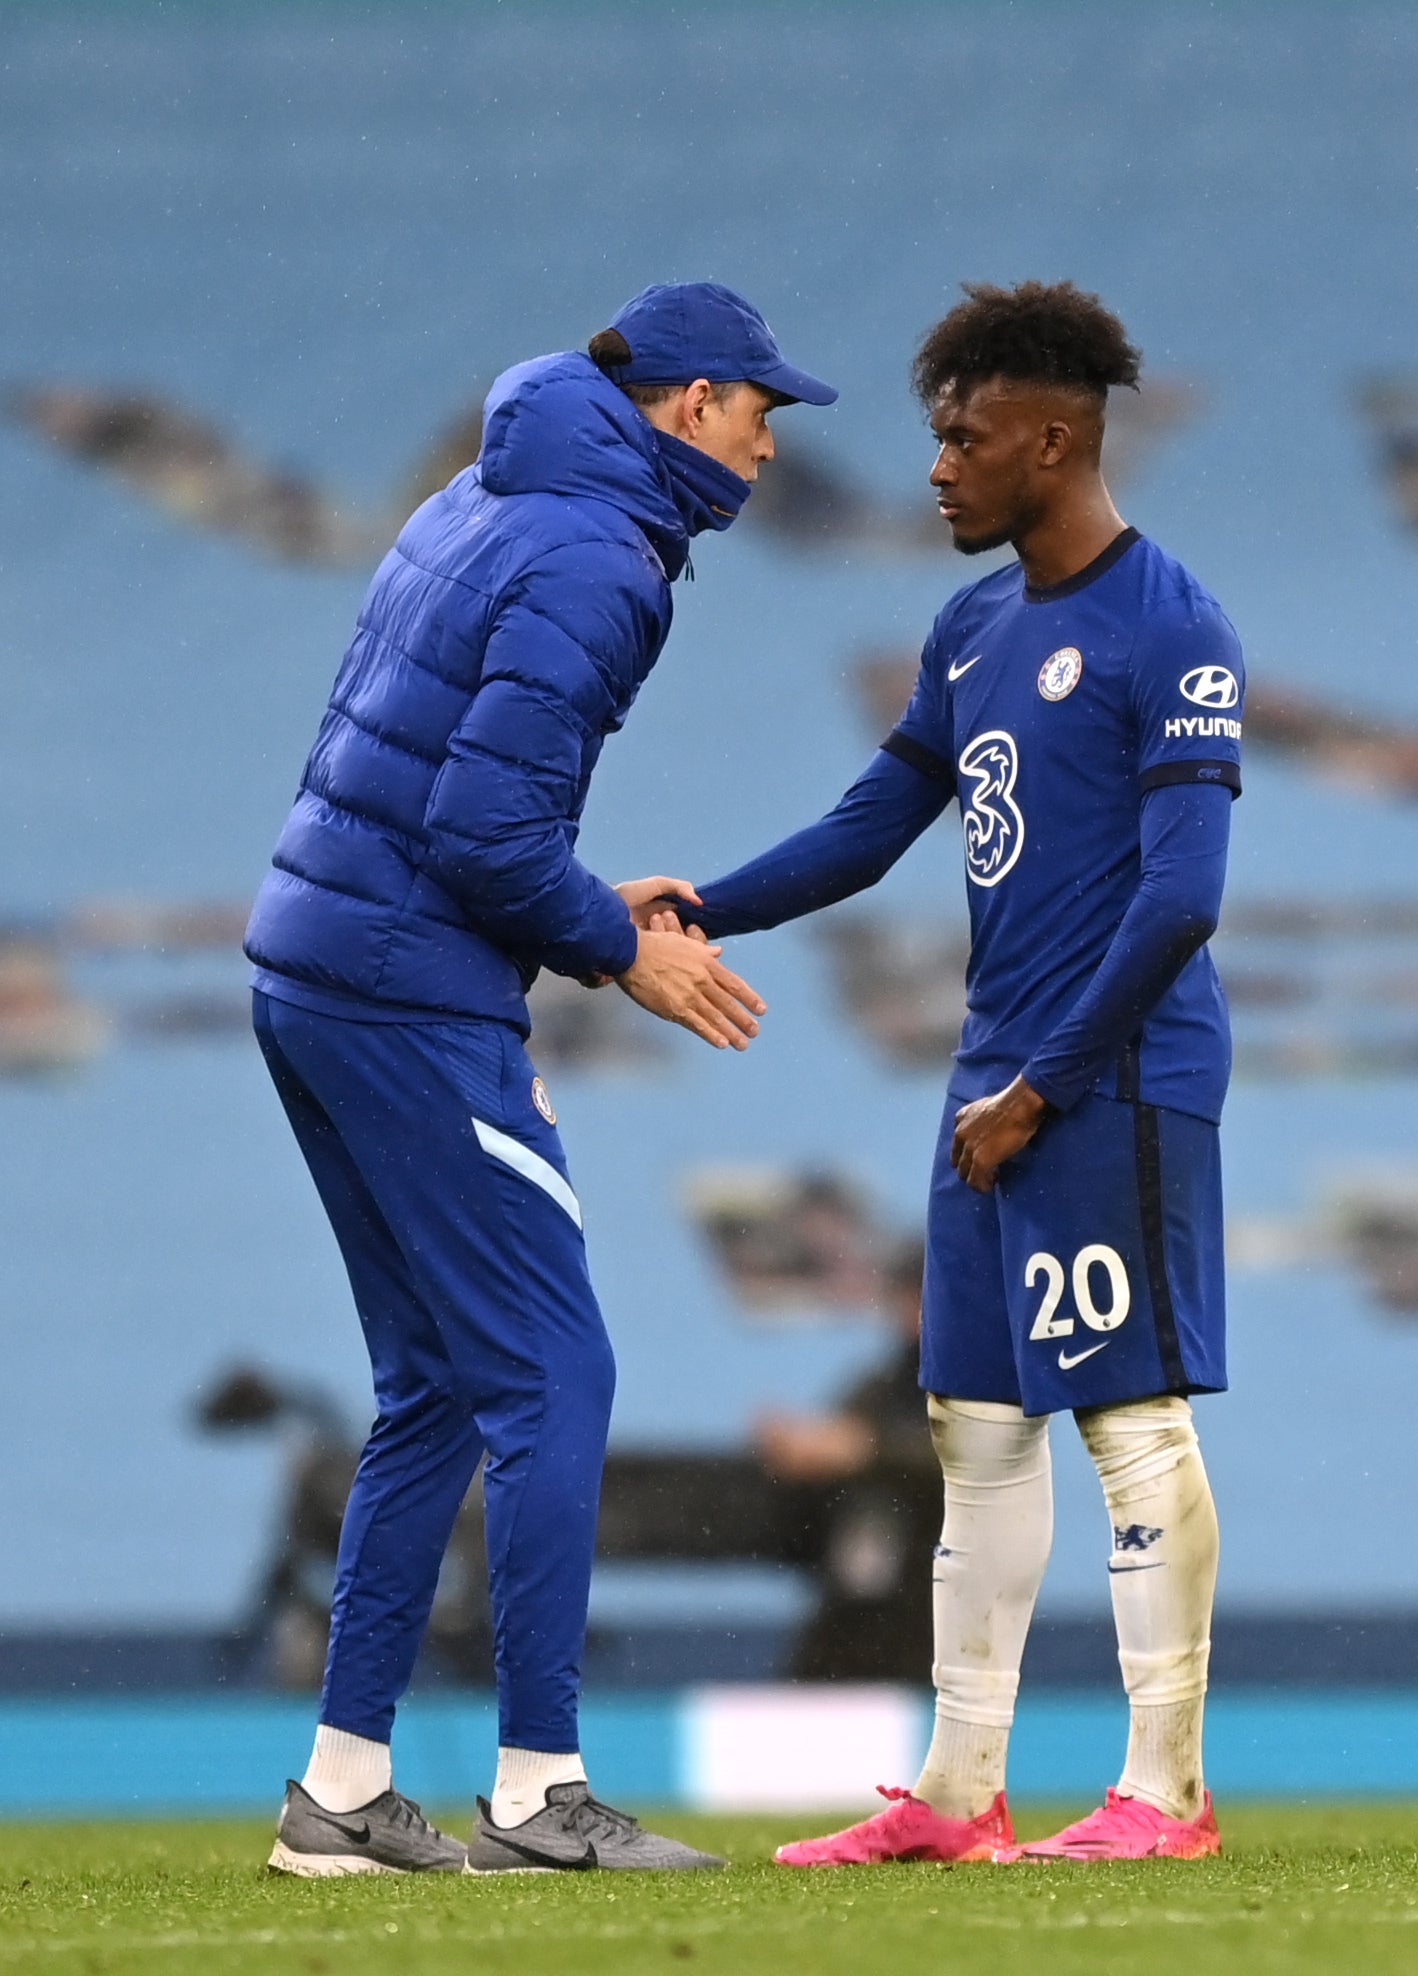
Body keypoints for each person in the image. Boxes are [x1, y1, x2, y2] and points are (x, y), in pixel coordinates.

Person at [638, 280, 1240, 1864]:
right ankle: (961, 1796)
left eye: (966, 439)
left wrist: (1046, 1082)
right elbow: (868, 822)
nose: (940, 468)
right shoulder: (975, 626)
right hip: (997, 1084)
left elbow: (1180, 898)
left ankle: (1165, 1796)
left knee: (1128, 1420)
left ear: (1054, 439)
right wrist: (702, 901)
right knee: (975, 1425)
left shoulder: (1170, 625)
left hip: (1108, 1080)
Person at [242, 282, 836, 1876]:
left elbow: (442, 788)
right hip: (407, 995)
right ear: (691, 402)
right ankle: (538, 1793)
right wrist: (611, 946)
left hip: (318, 962)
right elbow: (481, 835)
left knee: (434, 1389)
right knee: (554, 1378)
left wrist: (579, 903)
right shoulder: (598, 552)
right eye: (762, 414)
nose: (771, 450)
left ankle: (344, 1794)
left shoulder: (488, 490)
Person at [755, 1236, 940, 1682]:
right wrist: (799, 1463)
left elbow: (962, 1459)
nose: (913, 1312)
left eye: (925, 1295)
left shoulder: (984, 1388)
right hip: (859, 1613)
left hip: (940, 1618)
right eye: (907, 1295)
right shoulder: (877, 1388)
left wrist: (866, 1450)